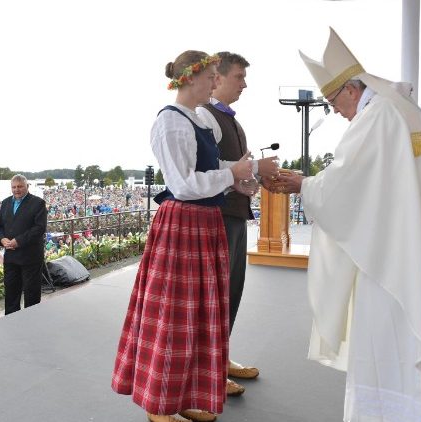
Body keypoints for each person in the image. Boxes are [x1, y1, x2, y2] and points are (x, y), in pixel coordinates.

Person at [275, 28, 421, 421]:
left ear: (350, 89)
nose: (336, 111)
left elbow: (346, 186)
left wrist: (303, 184)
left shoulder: (376, 117)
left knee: (393, 339)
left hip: (392, 257)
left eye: (332, 101)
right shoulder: (401, 108)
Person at [111, 50, 260, 422]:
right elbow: (184, 184)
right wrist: (232, 175)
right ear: (191, 78)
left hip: (203, 223)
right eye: (211, 76)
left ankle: (183, 396)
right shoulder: (171, 122)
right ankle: (158, 404)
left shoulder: (196, 119)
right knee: (173, 317)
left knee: (197, 317)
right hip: (184, 225)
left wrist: (242, 173)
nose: (215, 82)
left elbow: (210, 168)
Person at [196, 51, 279, 396]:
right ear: (219, 77)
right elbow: (210, 166)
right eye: (239, 77)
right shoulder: (205, 115)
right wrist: (257, 169)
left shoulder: (230, 119)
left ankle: (220, 356)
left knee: (231, 290)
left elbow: (232, 171)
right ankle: (209, 369)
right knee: (217, 294)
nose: (245, 84)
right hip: (217, 214)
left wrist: (253, 179)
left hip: (233, 213)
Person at [0, 175, 48, 315]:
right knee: (11, 292)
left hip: (30, 256)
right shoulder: (6, 203)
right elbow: (0, 226)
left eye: (20, 186)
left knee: (31, 293)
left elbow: (39, 228)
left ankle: (31, 322)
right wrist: (2, 239)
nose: (17, 190)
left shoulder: (38, 203)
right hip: (11, 257)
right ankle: (11, 322)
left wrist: (18, 241)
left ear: (27, 186)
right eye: (14, 187)